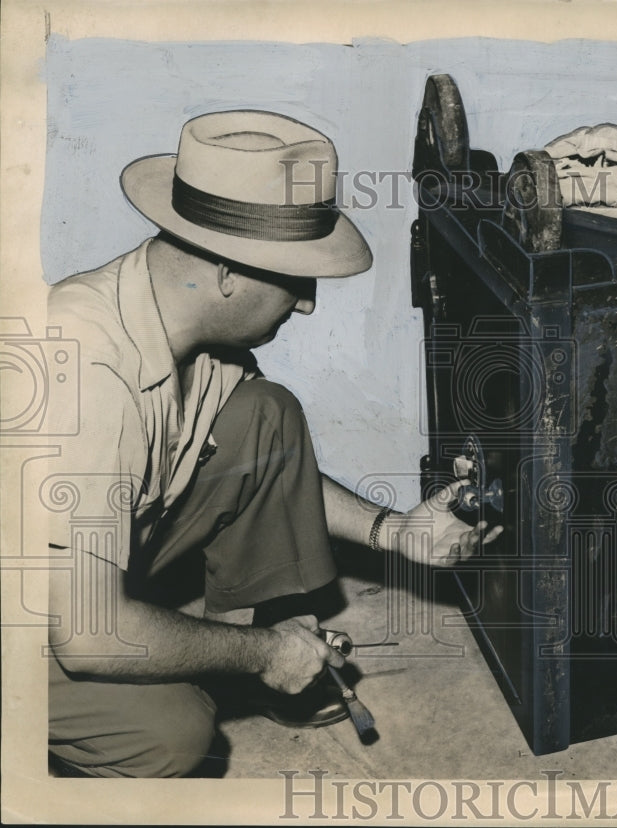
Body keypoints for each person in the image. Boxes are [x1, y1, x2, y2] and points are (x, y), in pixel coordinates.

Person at [46, 109, 501, 778]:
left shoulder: (191, 333)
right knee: (171, 733)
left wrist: (394, 530)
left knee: (265, 414)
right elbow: (86, 636)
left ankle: (256, 654)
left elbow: (269, 458)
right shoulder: (88, 376)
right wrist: (261, 651)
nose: (309, 303)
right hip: (38, 609)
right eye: (297, 276)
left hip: (75, 564)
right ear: (229, 270)